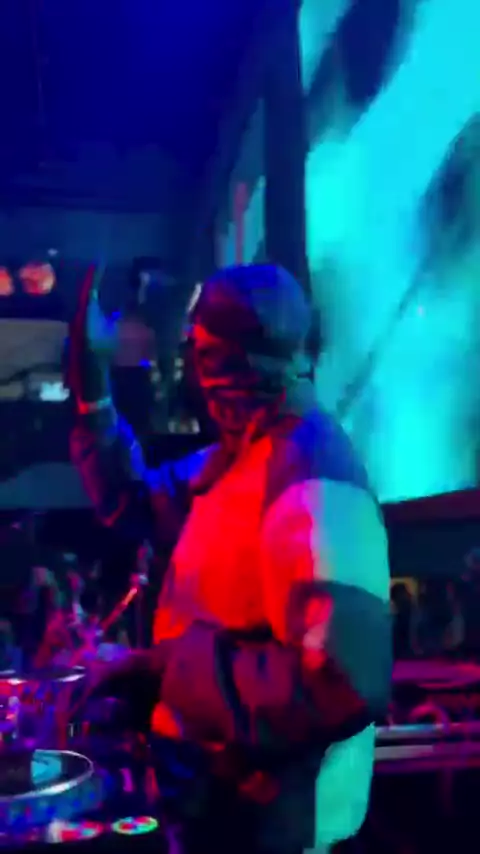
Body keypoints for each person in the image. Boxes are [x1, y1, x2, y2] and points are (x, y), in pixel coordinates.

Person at [69, 263, 391, 854]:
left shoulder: (311, 473)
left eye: (206, 354)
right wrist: (92, 389)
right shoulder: (242, 456)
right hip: (223, 815)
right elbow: (133, 500)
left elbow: (343, 682)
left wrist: (170, 668)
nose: (199, 374)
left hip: (274, 830)